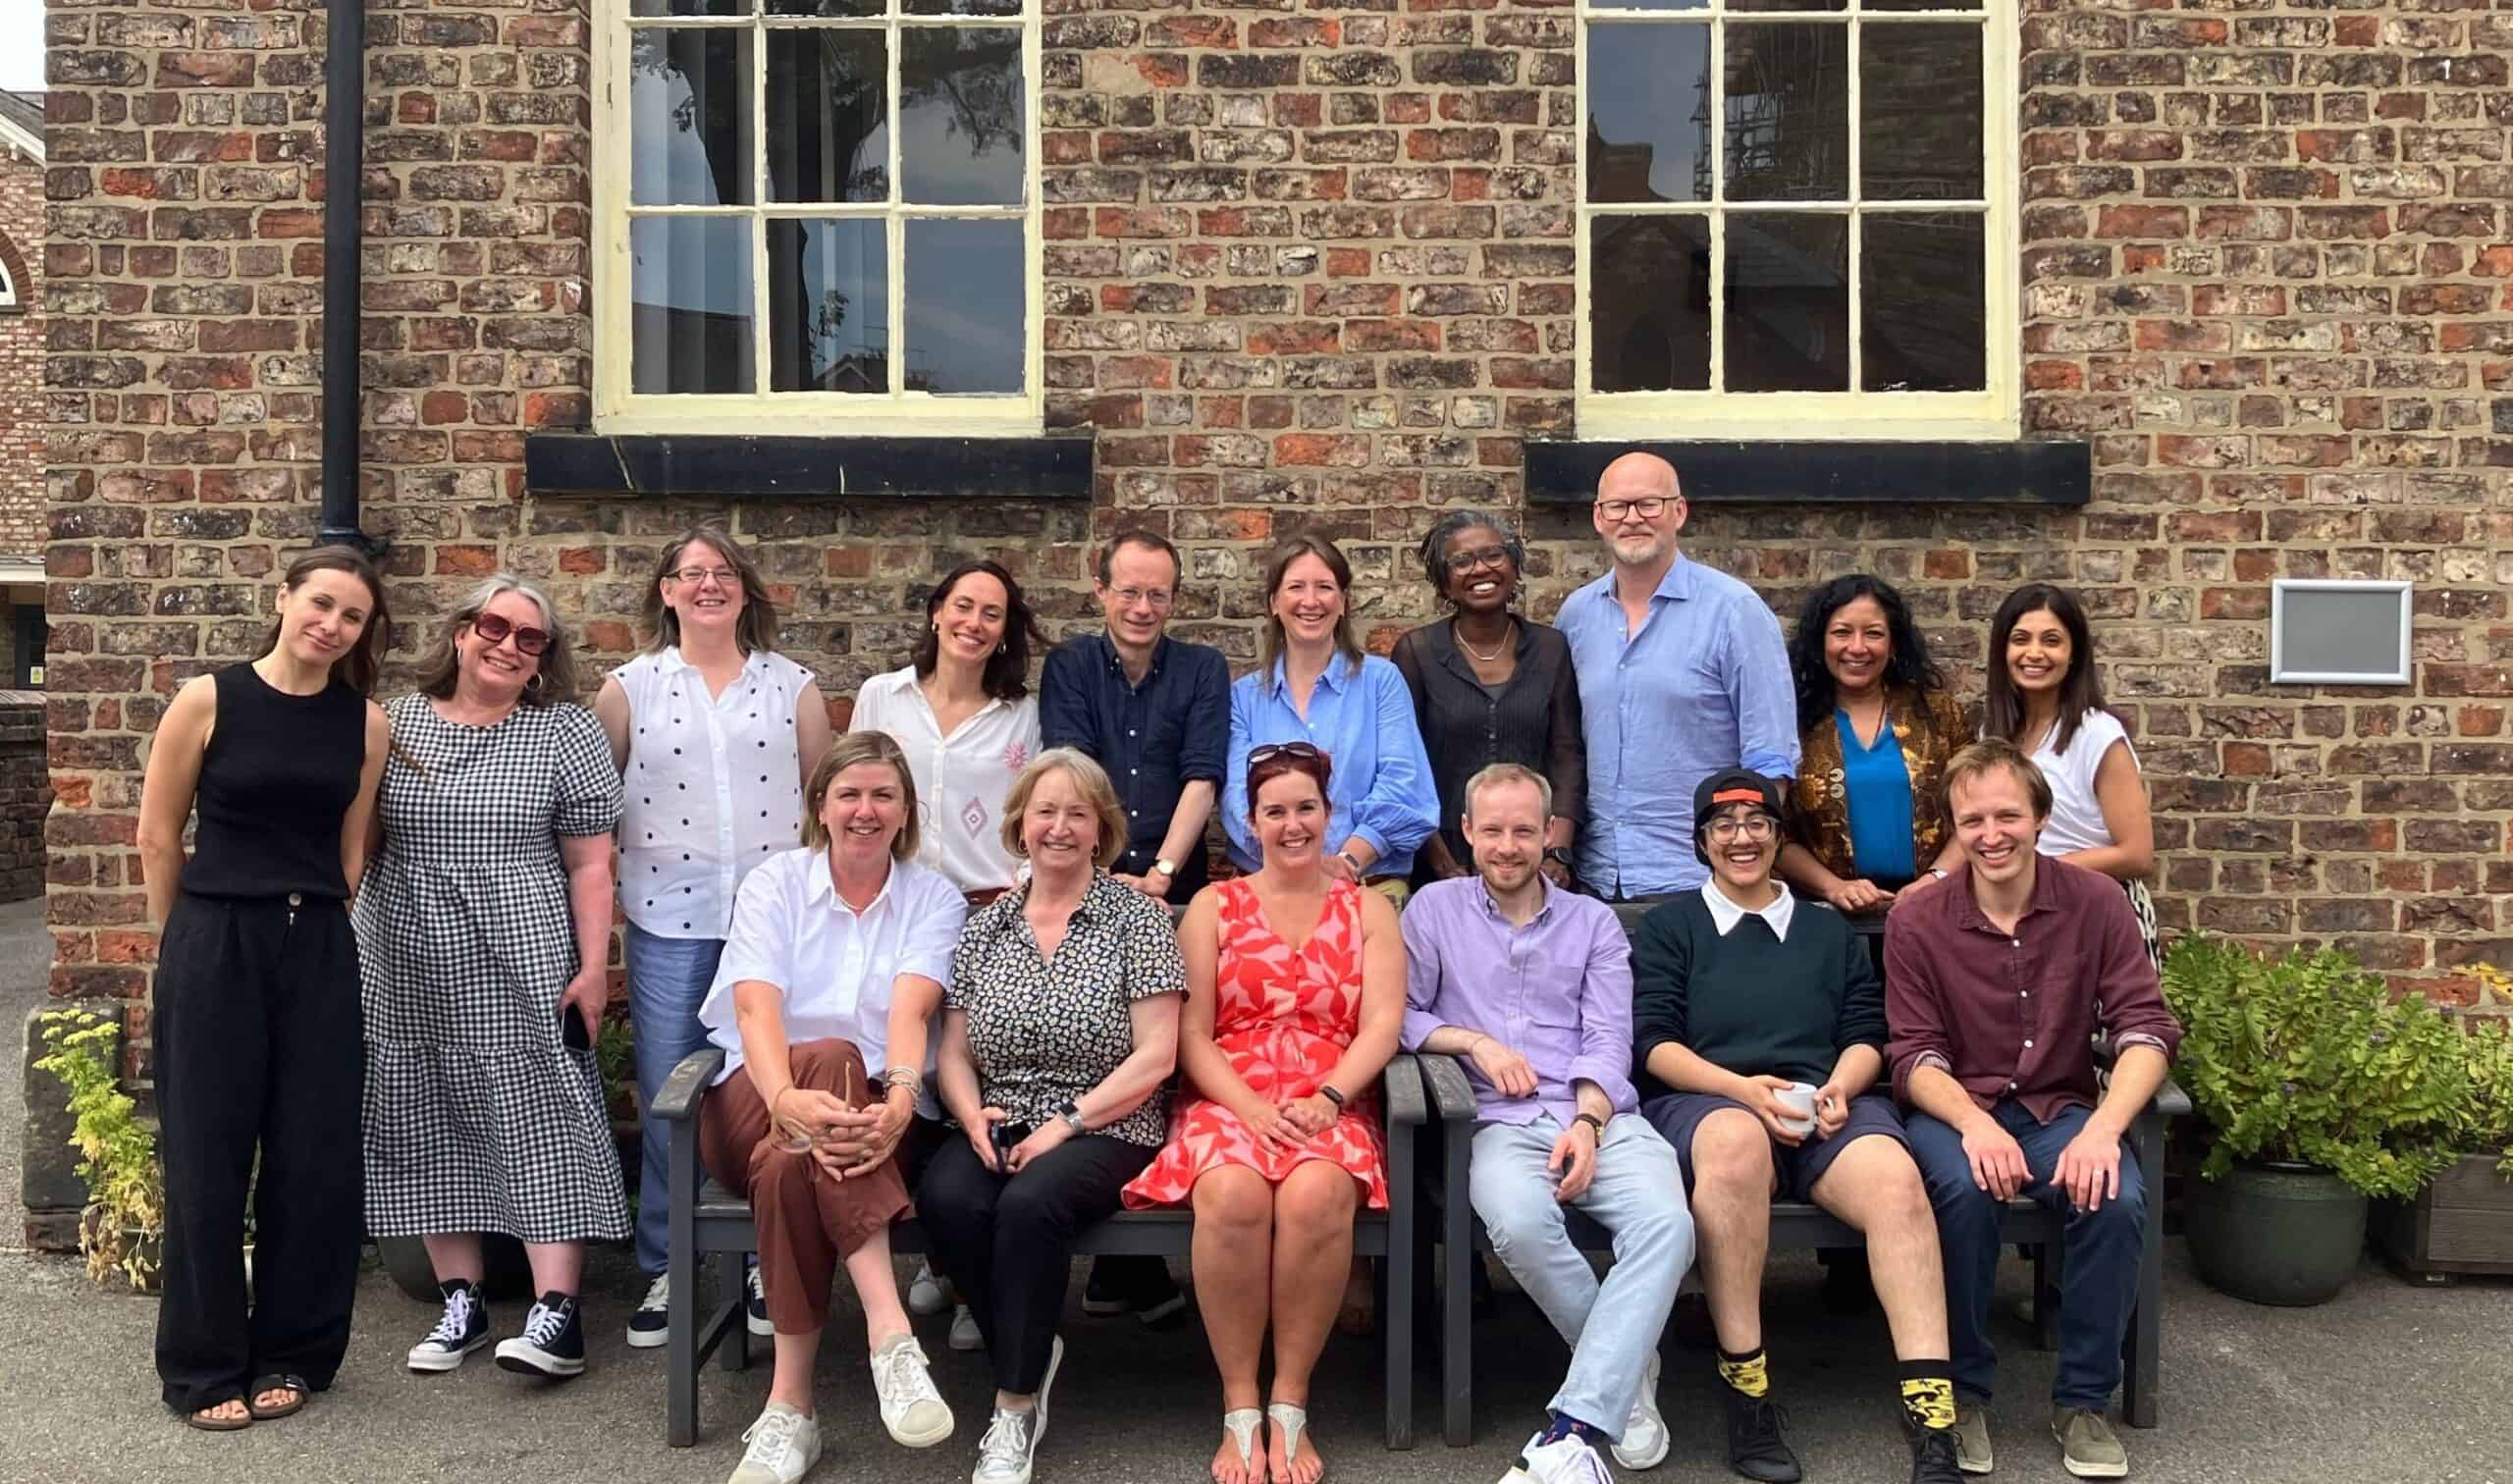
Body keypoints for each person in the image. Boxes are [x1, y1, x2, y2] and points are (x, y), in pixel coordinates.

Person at [1632, 769, 1963, 1484]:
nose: (1741, 839)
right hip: (1710, 1100)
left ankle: (1933, 1410)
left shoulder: (1825, 929)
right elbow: (1654, 1043)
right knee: (1735, 1147)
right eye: (1724, 826)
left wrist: (1842, 1085)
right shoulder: (1670, 927)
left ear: (1780, 838)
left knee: (1896, 1181)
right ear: (1701, 842)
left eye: (1758, 825)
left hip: (1827, 1102)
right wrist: (1742, 1093)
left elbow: (1867, 1030)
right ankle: (1746, 1390)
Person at [134, 547, 393, 1431]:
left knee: (314, 1157)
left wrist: (310, 923)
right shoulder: (209, 699)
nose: (332, 625)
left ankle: (294, 1352)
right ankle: (204, 1367)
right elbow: (158, 836)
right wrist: (186, 944)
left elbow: (352, 850)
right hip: (215, 940)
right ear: (283, 599)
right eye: (320, 603)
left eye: (352, 617)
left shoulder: (365, 723)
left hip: (316, 944)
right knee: (206, 1156)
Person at [1885, 741, 2181, 1480]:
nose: (1991, 835)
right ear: (1955, 829)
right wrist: (1974, 1123)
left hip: (2061, 1107)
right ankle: (1961, 1391)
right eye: (1972, 821)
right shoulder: (1918, 919)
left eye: (2007, 816)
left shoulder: (2096, 902)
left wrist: (2105, 1129)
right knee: (1962, 1189)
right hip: (1957, 1109)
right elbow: (1913, 1054)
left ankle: (2082, 1400)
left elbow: (2147, 1028)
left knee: (2114, 1193)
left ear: (2041, 817)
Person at [361, 575, 630, 1382]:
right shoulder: (393, 724)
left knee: (540, 1109)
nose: (508, 645)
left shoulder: (564, 731)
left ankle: (557, 1314)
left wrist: (593, 969)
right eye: (494, 626)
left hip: (523, 946)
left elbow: (591, 864)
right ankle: (462, 1301)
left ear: (545, 657)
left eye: (530, 638)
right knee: (422, 1109)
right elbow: (358, 842)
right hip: (405, 948)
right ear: (460, 632)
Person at [1400, 764, 1690, 1484]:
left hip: (1598, 1116)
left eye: (1523, 831)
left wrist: (1588, 1122)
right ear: (1467, 832)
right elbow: (1400, 1015)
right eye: (1492, 830)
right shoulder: (1432, 911)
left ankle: (1580, 1417)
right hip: (1493, 1122)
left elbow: (1609, 1036)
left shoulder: (1592, 923)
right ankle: (1627, 1373)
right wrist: (1476, 1044)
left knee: (1667, 1224)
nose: (1507, 846)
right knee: (1521, 1224)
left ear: (1547, 834)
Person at [1125, 741, 1403, 1484]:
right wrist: (1248, 1107)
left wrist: (1329, 1098)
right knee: (1232, 1195)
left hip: (1330, 1094)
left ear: (1328, 813)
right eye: (1275, 811)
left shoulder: (1369, 909)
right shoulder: (1214, 906)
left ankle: (1291, 1399)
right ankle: (1240, 1401)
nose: (1292, 824)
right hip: (1230, 1093)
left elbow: (1382, 1023)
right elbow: (1190, 1032)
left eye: (1306, 808)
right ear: (1251, 822)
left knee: (1316, 1194)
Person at [692, 729, 966, 1484]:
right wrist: (783, 1098)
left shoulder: (933, 897)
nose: (865, 810)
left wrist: (903, 1097)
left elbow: (912, 1010)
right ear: (820, 805)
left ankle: (791, 1410)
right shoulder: (775, 884)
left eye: (883, 795)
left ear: (905, 811)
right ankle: (890, 1333)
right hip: (752, 1099)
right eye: (849, 794)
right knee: (829, 1055)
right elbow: (755, 1009)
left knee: (790, 1168)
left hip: (872, 1119)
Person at [917, 749, 1187, 1484]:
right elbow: (954, 1052)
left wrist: (1065, 1123)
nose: (1059, 827)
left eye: (1077, 813)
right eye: (1045, 811)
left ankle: (1014, 1404)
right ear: (1020, 824)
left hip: (1107, 1121)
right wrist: (970, 1117)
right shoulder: (986, 927)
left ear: (1102, 829)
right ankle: (1030, 1346)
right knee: (948, 1197)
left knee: (1030, 1206)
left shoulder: (1137, 919)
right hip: (1001, 1112)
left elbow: (1157, 1056)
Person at [595, 526, 834, 1349]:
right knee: (672, 1093)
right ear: (666, 591)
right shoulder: (629, 689)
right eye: (691, 573)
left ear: (744, 589)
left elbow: (823, 802)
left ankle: (768, 1257)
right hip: (669, 920)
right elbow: (596, 812)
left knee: (770, 1083)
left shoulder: (792, 687)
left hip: (773, 924)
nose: (708, 585)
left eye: (723, 572)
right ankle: (670, 1265)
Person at [1037, 527, 1225, 1329]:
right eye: (1129, 591)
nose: (1142, 606)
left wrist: (1160, 876)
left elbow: (1202, 776)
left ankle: (1140, 1249)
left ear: (1173, 599)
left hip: (1177, 890)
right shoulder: (1072, 666)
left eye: (1157, 594)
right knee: (1103, 1048)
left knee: (1168, 1057)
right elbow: (1072, 775)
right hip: (1092, 877)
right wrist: (1109, 873)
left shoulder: (1202, 669)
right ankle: (1123, 1262)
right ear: (1101, 591)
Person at [1556, 451, 1797, 902]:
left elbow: (1770, 756)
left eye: (1649, 504)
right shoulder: (1576, 616)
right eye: (1618, 506)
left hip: (1697, 878)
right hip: (1592, 880)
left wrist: (1741, 861)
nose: (1633, 518)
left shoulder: (1734, 611)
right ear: (1599, 517)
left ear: (1679, 511)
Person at [1223, 534, 1438, 907]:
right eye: (1296, 587)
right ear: (1274, 603)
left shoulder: (1381, 682)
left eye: (1324, 587)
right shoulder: (1243, 698)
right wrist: (1300, 863)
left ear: (1343, 602)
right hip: (1267, 893)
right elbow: (1236, 798)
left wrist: (1346, 861)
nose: (1310, 601)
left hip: (1368, 888)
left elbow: (1405, 786)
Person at [1389, 510, 1586, 890]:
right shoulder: (1417, 653)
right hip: (1445, 859)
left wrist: (1557, 851)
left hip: (1534, 859)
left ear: (1514, 565)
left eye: (1494, 555)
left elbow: (1567, 756)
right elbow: (1405, 765)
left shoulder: (1550, 649)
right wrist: (1444, 865)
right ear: (1443, 580)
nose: (1480, 569)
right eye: (1461, 561)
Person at [1980, 583, 2161, 968]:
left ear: (2074, 652)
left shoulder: (2097, 734)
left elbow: (2137, 854)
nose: (2034, 653)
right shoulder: (1993, 735)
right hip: (2018, 915)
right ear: (2002, 650)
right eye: (2020, 639)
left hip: (2095, 913)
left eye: (2051, 640)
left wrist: (2034, 870)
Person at [850, 558, 1047, 906]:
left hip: (989, 907)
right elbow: (849, 794)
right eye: (963, 606)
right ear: (937, 613)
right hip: (895, 905)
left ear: (1004, 632)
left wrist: (1025, 887)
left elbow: (1039, 812)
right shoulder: (881, 697)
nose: (974, 623)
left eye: (991, 614)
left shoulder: (1023, 717)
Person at [1777, 575, 1969, 918]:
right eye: (1842, 632)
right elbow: (1774, 828)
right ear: (1820, 642)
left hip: (1935, 909)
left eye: (1874, 634)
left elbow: (1977, 808)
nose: (1857, 647)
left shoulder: (1938, 713)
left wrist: (1935, 880)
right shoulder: (1791, 720)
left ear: (1894, 645)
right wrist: (1833, 887)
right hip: (1823, 914)